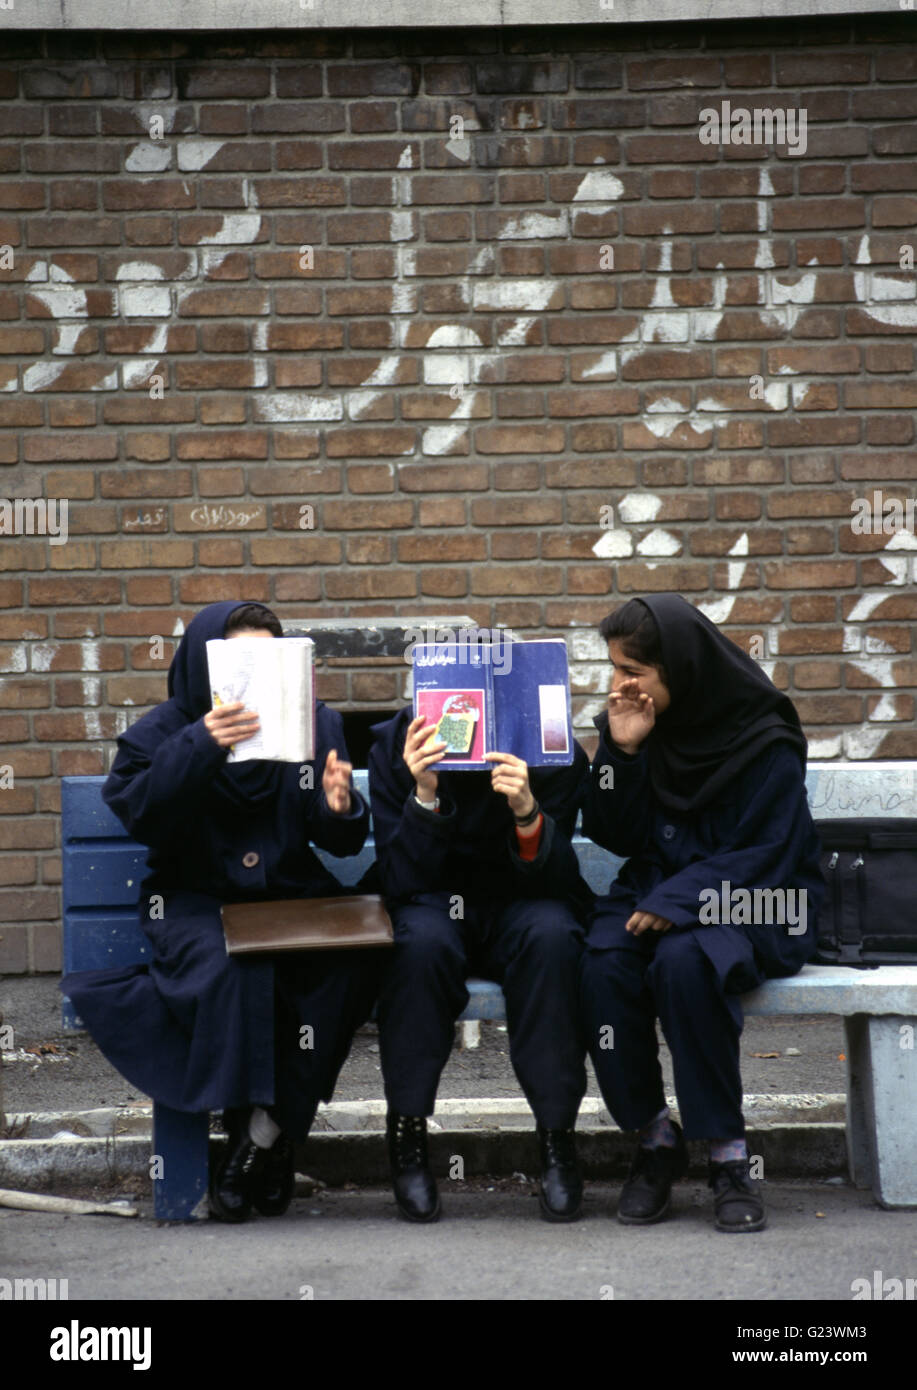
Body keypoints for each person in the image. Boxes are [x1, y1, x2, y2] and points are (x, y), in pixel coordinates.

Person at [60, 600, 383, 1223]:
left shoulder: (312, 722)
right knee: (237, 968)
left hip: (291, 898)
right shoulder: (165, 730)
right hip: (196, 902)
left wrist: (340, 807)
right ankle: (257, 1140)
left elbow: (338, 839)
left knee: (353, 961)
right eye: (240, 660)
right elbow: (143, 811)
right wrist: (201, 744)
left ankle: (261, 1136)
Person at [579, 594, 825, 1233]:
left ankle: (726, 1156)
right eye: (614, 669)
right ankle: (656, 1139)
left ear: (679, 669)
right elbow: (611, 830)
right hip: (661, 886)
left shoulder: (763, 734)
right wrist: (623, 755)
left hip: (751, 897)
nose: (620, 687)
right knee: (603, 962)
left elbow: (771, 850)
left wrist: (684, 901)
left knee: (687, 962)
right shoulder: (637, 723)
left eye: (634, 672)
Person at [367, 697, 594, 1223]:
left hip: (521, 900)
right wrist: (424, 793)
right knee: (417, 946)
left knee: (555, 937)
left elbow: (556, 879)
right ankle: (407, 1136)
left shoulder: (549, 742)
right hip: (433, 899)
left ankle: (558, 1138)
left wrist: (527, 812)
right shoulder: (399, 743)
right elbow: (399, 877)